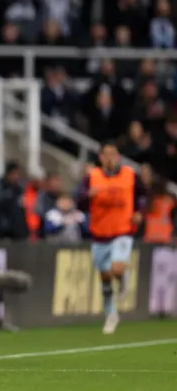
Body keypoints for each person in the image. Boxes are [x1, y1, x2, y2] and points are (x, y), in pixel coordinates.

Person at [76, 143, 145, 335]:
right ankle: (111, 314)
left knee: (116, 267)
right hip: (99, 233)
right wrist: (87, 196)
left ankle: (123, 278)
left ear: (119, 156)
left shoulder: (130, 175)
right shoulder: (92, 177)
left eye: (113, 154)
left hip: (123, 230)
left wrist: (139, 212)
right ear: (100, 157)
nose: (109, 158)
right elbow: (79, 202)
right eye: (106, 154)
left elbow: (143, 195)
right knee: (105, 277)